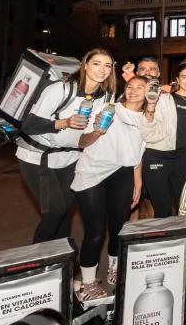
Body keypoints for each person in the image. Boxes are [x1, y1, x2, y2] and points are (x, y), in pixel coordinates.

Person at [19, 48, 116, 243]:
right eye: (96, 63)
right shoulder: (60, 89)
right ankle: (37, 263)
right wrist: (65, 122)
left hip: (71, 158)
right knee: (55, 211)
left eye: (107, 65)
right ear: (85, 65)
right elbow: (28, 125)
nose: (102, 70)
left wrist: (97, 131)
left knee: (65, 212)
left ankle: (63, 264)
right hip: (38, 156)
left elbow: (83, 141)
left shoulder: (106, 97)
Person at [72, 77, 147, 301]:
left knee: (118, 227)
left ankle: (115, 267)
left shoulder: (146, 119)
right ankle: (87, 283)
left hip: (122, 174)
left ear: (147, 92)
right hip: (92, 172)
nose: (133, 91)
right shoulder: (107, 108)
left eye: (139, 88)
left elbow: (138, 154)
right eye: (130, 86)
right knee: (95, 231)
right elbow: (81, 142)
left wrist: (138, 181)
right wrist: (96, 132)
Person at [138, 62, 186, 217]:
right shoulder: (163, 99)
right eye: (184, 77)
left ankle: (185, 241)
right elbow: (147, 132)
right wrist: (151, 107)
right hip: (156, 156)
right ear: (177, 80)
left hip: (181, 159)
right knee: (163, 209)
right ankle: (163, 241)